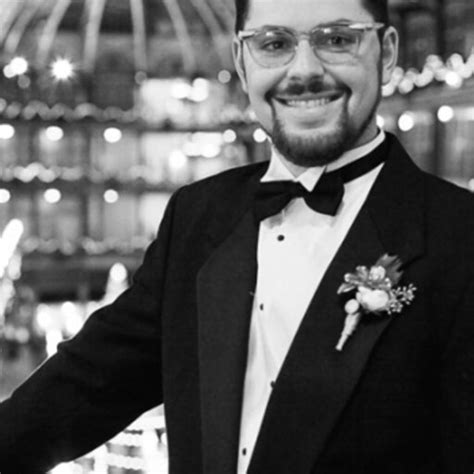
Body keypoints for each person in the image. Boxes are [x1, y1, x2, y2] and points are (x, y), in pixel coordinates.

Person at [1, 0, 473, 472]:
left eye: (337, 39)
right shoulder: (198, 215)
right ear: (242, 63)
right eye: (274, 44)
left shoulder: (460, 236)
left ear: (386, 52)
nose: (304, 71)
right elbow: (88, 384)